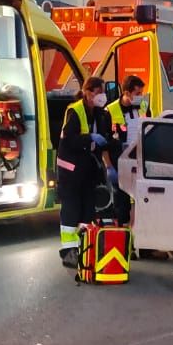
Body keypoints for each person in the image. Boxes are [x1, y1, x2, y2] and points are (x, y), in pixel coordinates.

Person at [56, 76, 114, 267]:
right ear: (87, 93)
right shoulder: (75, 111)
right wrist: (89, 137)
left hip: (86, 170)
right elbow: (68, 141)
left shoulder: (100, 113)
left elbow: (104, 140)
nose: (102, 96)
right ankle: (68, 252)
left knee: (87, 211)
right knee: (71, 210)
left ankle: (83, 248)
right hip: (71, 171)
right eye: (98, 92)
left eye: (103, 92)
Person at [105, 75, 149, 224]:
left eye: (141, 93)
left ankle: (141, 232)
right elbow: (105, 141)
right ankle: (122, 231)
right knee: (121, 200)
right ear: (126, 92)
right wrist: (109, 166)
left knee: (143, 197)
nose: (140, 97)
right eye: (137, 94)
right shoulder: (110, 111)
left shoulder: (143, 106)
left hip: (140, 158)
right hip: (121, 159)